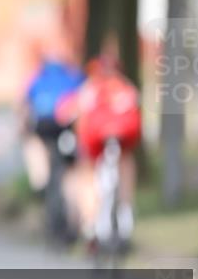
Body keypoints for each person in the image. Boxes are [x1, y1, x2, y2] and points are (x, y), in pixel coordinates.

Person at [60, 51, 141, 249]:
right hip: (122, 138)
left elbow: (67, 112)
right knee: (126, 161)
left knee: (86, 170)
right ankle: (125, 209)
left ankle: (90, 222)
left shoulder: (90, 88)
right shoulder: (126, 87)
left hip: (95, 140)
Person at [20, 51, 85, 243]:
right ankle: (74, 223)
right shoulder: (74, 77)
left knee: (41, 158)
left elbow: (23, 106)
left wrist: (24, 131)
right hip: (66, 128)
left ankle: (39, 183)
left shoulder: (37, 79)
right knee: (70, 171)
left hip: (43, 129)